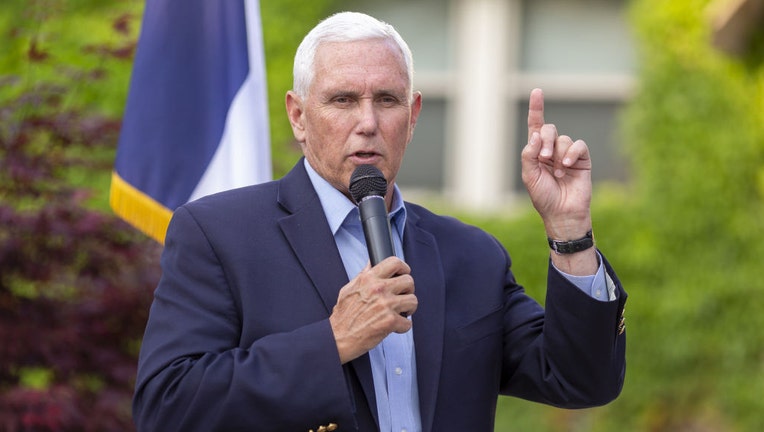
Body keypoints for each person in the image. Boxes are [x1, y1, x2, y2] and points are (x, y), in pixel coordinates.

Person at [132, 11, 627, 432]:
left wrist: (570, 233)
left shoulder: (471, 255)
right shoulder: (219, 235)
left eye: (387, 100)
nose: (367, 122)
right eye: (343, 100)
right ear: (299, 116)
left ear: (412, 117)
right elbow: (166, 405)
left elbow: (581, 380)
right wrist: (333, 341)